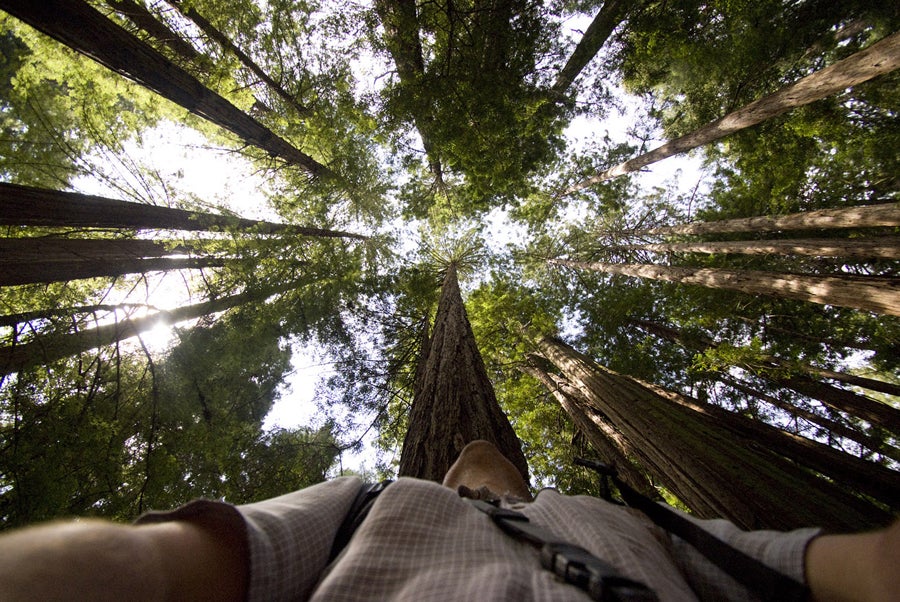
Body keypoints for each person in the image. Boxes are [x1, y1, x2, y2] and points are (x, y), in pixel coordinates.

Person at [0, 440, 897, 601]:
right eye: (460, 456)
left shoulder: (635, 522)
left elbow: (818, 566)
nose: (473, 458)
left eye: (491, 454)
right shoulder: (365, 499)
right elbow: (178, 560)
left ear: (520, 473)